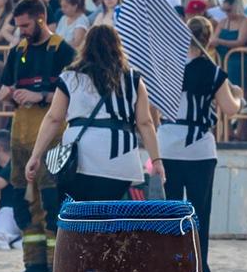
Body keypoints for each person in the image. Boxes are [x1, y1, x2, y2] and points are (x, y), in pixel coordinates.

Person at [25, 22, 162, 206]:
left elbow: (53, 118)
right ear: (117, 46)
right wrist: (156, 160)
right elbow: (145, 123)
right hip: (121, 158)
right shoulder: (133, 79)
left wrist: (35, 155)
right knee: (111, 221)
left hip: (81, 157)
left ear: (86, 46)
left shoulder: (71, 76)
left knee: (79, 221)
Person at [0, 0, 73, 272]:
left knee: (52, 198)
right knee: (24, 200)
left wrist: (41, 96)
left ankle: (59, 266)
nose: (22, 31)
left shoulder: (62, 50)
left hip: (52, 133)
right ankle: (34, 264)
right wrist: (8, 93)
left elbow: (74, 92)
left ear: (41, 18)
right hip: (21, 134)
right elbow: (4, 87)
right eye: (18, 26)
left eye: (26, 25)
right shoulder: (18, 51)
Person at [162, 15, 239, 272]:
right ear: (208, 39)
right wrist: (238, 96)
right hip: (199, 149)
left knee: (169, 209)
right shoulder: (213, 71)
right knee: (199, 212)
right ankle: (198, 269)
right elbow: (229, 108)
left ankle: (169, 266)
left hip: (168, 144)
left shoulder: (168, 67)